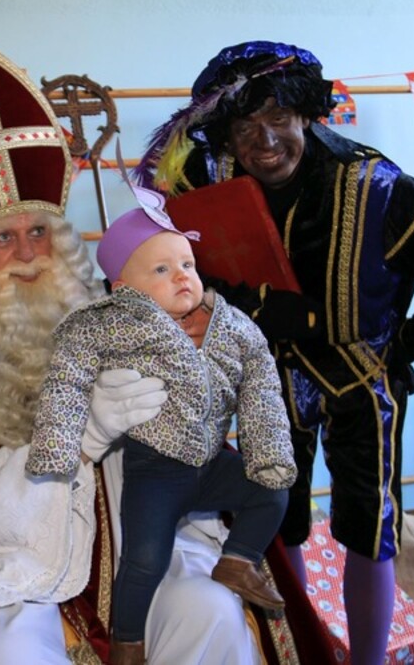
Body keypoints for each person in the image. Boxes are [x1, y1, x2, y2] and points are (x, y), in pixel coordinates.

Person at [0, 38, 330, 665]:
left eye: (38, 231)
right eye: (3, 239)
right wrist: (84, 436)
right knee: (10, 655)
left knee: (211, 612)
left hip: (134, 540)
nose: (27, 253)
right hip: (15, 566)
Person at [136, 40, 414, 664]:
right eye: (245, 127)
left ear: (306, 113)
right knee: (276, 522)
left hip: (363, 378)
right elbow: (180, 262)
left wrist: (410, 346)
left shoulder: (380, 187)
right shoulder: (211, 179)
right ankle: (303, 653)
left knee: (367, 529)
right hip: (268, 377)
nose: (264, 141)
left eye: (279, 118)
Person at [27, 201, 297, 663]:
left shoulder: (229, 323)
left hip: (212, 462)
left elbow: (261, 381)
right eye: (162, 269)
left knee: (272, 489)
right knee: (144, 561)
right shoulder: (112, 324)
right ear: (123, 290)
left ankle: (238, 559)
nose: (182, 277)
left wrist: (268, 450)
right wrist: (58, 445)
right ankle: (128, 641)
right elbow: (68, 375)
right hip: (155, 471)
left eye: (187, 265)